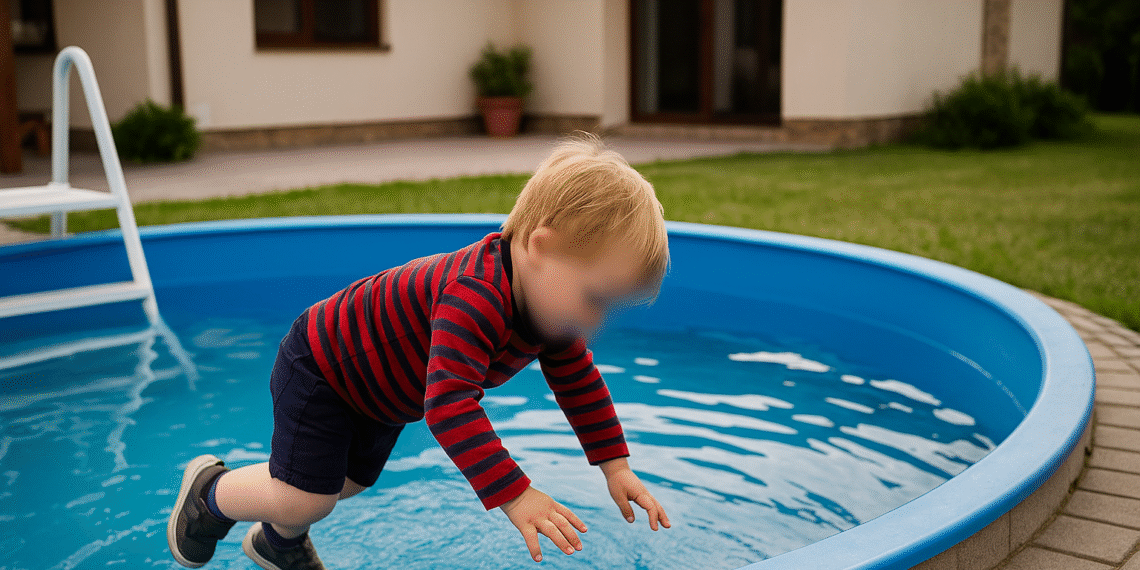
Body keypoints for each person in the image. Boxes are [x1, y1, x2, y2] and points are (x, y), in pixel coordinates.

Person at [166, 133, 672, 569]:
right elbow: (450, 405)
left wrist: (615, 465)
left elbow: (578, 380)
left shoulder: (549, 307)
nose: (596, 321)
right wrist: (516, 494)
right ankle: (210, 494)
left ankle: (278, 543)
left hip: (381, 391)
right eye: (595, 298)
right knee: (308, 495)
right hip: (324, 365)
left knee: (347, 483)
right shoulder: (476, 294)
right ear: (541, 247)